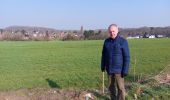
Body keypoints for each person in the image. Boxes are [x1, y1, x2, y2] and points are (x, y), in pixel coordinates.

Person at [101, 24, 130, 100]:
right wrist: (102, 65)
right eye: (110, 31)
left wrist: (125, 70)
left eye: (113, 31)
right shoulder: (106, 42)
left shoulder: (123, 41)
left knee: (120, 88)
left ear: (117, 31)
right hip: (109, 69)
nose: (112, 33)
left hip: (119, 71)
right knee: (111, 88)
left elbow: (127, 57)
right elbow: (103, 54)